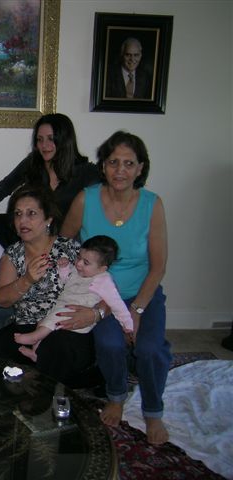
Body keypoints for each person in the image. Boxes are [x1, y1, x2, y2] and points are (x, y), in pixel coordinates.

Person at [61, 130, 171, 445]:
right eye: (113, 162)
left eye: (128, 163)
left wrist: (136, 309)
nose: (120, 170)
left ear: (140, 168)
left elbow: (158, 266)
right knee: (110, 344)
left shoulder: (152, 204)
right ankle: (116, 396)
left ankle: (153, 411)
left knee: (150, 349)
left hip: (142, 293)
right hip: (99, 294)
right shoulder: (86, 199)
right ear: (103, 166)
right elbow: (64, 245)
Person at [0, 185, 96, 387]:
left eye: (31, 214)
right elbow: (1, 300)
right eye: (18, 214)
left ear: (48, 219)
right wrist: (27, 279)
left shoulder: (70, 248)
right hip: (26, 325)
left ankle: (47, 398)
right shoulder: (12, 254)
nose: (23, 221)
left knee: (54, 348)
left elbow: (102, 283)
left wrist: (96, 313)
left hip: (65, 324)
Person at [14, 235, 133, 362]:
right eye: (78, 257)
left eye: (86, 262)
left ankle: (34, 338)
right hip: (61, 306)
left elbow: (116, 304)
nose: (79, 264)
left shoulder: (104, 281)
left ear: (102, 268)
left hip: (77, 314)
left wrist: (127, 324)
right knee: (42, 322)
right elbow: (66, 281)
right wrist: (64, 268)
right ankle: (36, 353)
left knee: (50, 322)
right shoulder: (77, 270)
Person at [0, 113, 99, 216]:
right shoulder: (33, 162)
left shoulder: (86, 172)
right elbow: (3, 188)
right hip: (32, 234)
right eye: (40, 139)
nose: (44, 145)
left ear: (65, 140)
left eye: (51, 139)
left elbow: (100, 209)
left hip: (68, 236)